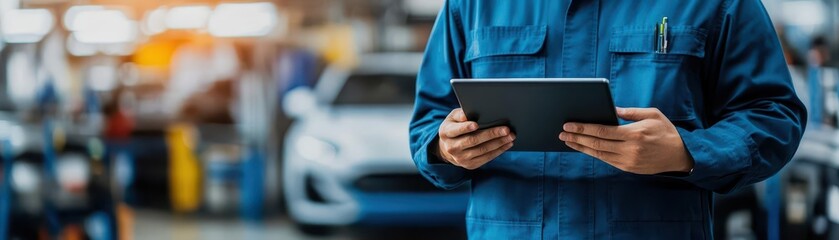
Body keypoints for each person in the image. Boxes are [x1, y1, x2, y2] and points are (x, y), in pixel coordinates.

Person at [409, 0, 807, 239]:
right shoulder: (472, 4)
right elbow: (428, 123)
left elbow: (773, 114)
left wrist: (687, 152)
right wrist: (446, 147)